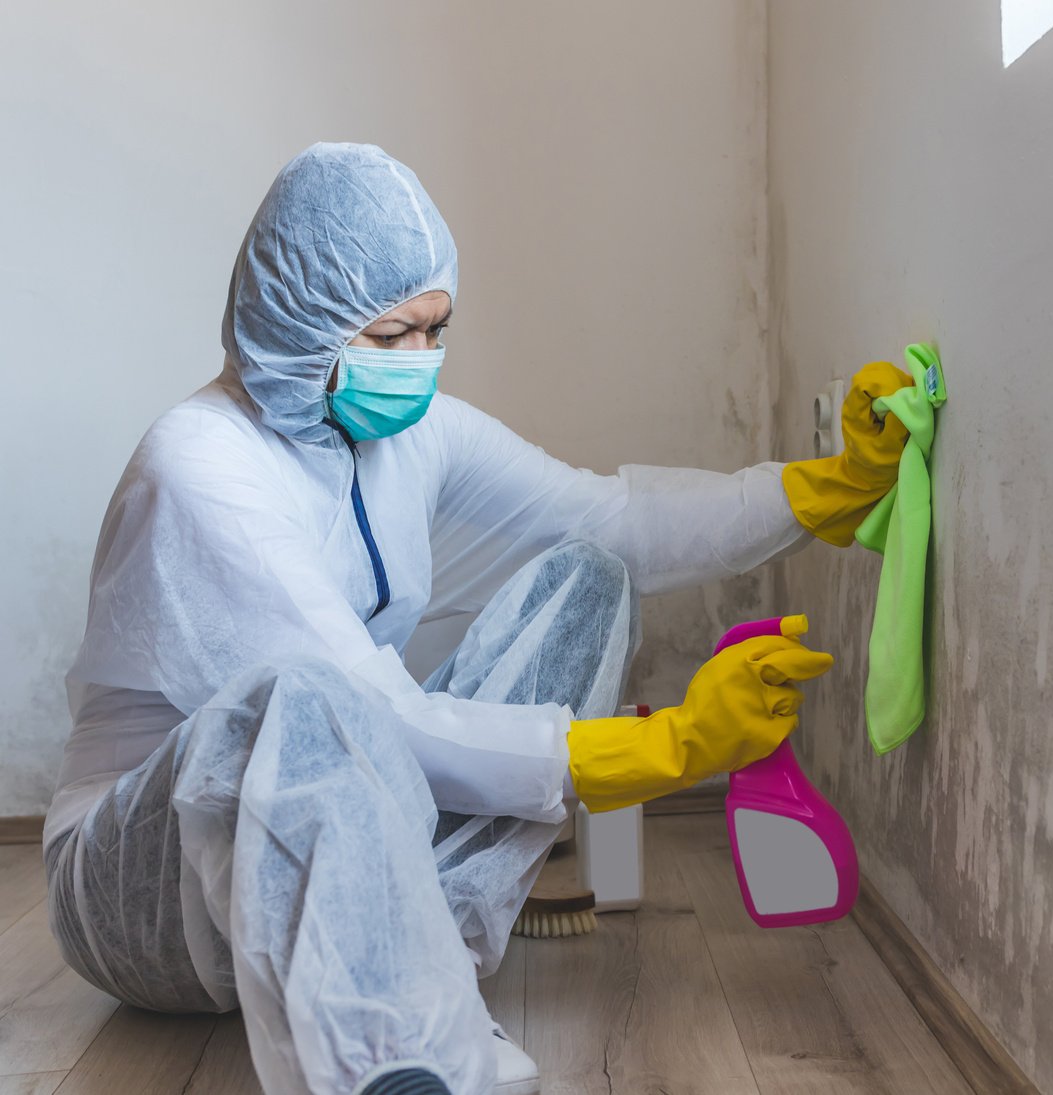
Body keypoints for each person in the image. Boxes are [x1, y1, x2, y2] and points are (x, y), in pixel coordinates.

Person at [42, 143, 912, 1095]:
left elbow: (612, 518)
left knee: (589, 578)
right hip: (148, 896)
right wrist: (663, 748)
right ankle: (402, 1057)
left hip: (338, 821)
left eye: (436, 328)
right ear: (299, 318)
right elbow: (378, 712)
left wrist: (823, 488)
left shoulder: (411, 432)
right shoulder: (199, 467)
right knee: (310, 696)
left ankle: (424, 973)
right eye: (388, 337)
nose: (419, 362)